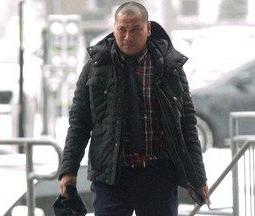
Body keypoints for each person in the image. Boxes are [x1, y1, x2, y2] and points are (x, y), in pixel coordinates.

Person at [58, 2, 209, 216]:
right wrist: (68, 169)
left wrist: (198, 177)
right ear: (114, 29)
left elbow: (187, 124)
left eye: (135, 29)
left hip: (158, 176)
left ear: (148, 29)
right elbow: (79, 123)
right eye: (122, 29)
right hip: (112, 176)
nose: (128, 36)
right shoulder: (95, 67)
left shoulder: (168, 68)